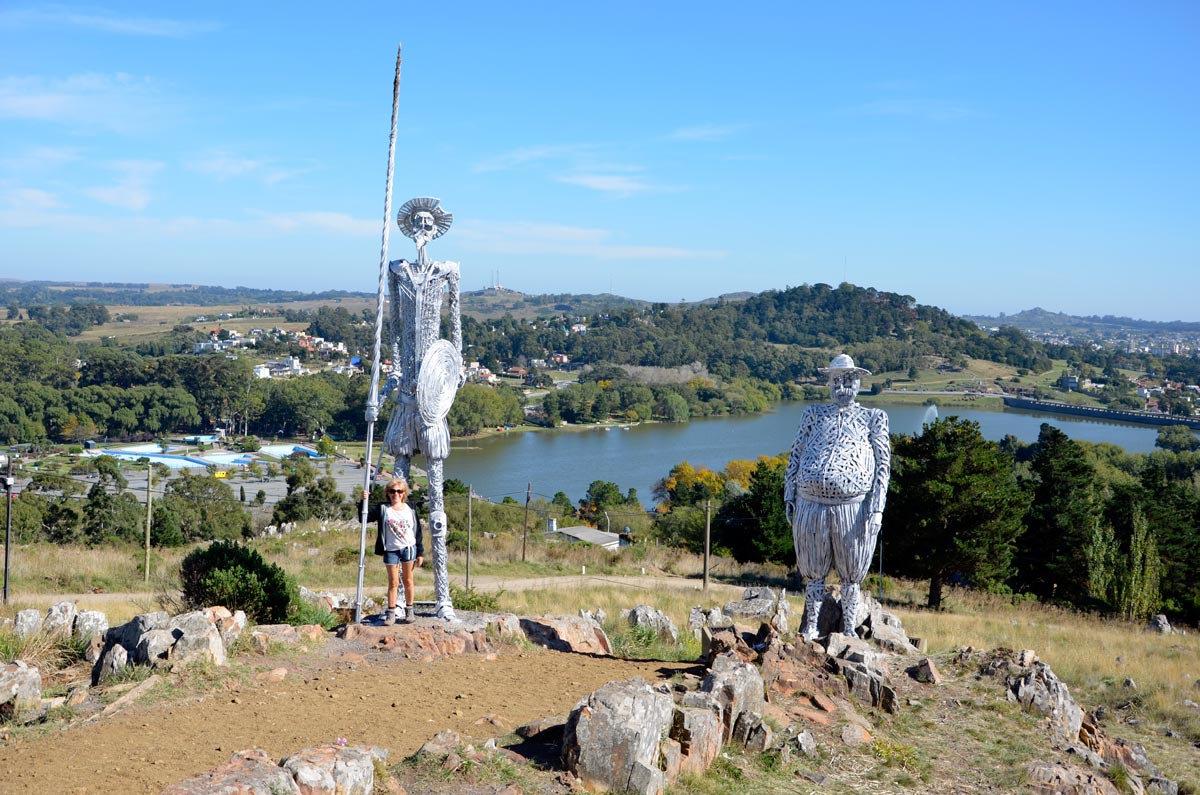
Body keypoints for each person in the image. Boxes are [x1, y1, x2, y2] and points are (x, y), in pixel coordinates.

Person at [783, 354, 891, 639]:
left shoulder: (873, 418)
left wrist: (877, 507)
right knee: (813, 571)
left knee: (851, 573)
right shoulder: (814, 414)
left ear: (858, 383)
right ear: (829, 383)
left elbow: (883, 466)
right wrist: (789, 492)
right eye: (837, 381)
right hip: (810, 503)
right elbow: (796, 453)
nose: (842, 387)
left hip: (853, 508)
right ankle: (810, 626)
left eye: (848, 381)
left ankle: (848, 629)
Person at [362, 477, 424, 624]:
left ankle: (409, 610)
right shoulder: (384, 509)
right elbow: (363, 518)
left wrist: (420, 552)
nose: (396, 494)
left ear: (404, 493)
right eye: (392, 491)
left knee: (408, 580)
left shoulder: (410, 508)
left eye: (399, 491)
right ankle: (391, 613)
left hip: (408, 548)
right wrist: (364, 501)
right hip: (391, 550)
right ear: (388, 493)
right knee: (393, 582)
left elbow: (417, 531)